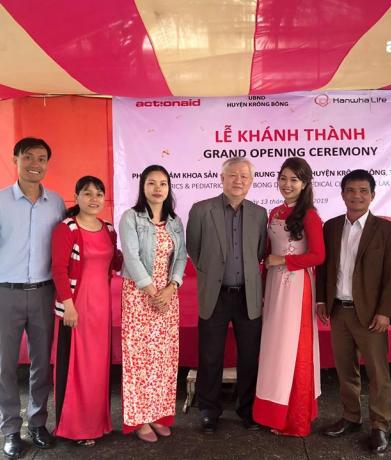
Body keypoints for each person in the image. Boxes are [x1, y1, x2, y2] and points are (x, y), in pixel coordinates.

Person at [316, 169, 391, 454]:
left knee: (378, 372)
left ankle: (380, 425)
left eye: (363, 191)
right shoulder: (331, 226)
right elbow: (324, 267)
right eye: (351, 190)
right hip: (339, 310)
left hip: (372, 314)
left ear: (372, 195)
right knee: (345, 369)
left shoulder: (386, 229)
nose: (357, 196)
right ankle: (351, 417)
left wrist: (386, 312)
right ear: (342, 194)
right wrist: (321, 300)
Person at [186, 157, 267, 434]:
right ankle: (209, 410)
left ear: (251, 181)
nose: (238, 181)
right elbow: (193, 250)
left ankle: (248, 410)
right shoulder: (201, 210)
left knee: (249, 356)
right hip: (215, 295)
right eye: (233, 175)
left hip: (248, 295)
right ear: (221, 178)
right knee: (210, 356)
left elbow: (258, 252)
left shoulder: (259, 213)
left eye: (244, 176)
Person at [0, 138, 65, 459]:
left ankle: (38, 423)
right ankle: (10, 429)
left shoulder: (56, 203)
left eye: (41, 158)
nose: (34, 163)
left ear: (48, 164)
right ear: (16, 159)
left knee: (42, 362)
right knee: (4, 366)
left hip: (43, 292)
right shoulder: (0, 202)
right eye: (28, 157)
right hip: (5, 293)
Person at [252, 158, 325, 436]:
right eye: (283, 178)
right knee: (275, 348)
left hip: (296, 286)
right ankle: (274, 412)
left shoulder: (310, 216)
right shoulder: (274, 212)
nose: (287, 184)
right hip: (274, 286)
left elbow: (318, 256)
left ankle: (294, 418)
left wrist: (282, 260)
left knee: (293, 347)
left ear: (305, 183)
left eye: (294, 179)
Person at [51, 176, 122, 446]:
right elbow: (58, 269)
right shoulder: (67, 228)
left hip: (101, 309)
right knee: (75, 368)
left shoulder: (108, 229)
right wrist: (67, 305)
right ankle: (74, 428)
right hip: (76, 307)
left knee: (97, 369)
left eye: (99, 194)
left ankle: (97, 424)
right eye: (87, 193)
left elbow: (115, 262)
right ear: (76, 196)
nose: (94, 199)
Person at [119, 165, 186, 443]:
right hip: (139, 295)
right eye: (151, 183)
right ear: (142, 187)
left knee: (163, 359)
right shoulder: (131, 218)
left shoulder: (174, 221)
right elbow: (131, 258)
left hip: (168, 297)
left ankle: (158, 414)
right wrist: (152, 291)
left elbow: (181, 257)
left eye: (163, 183)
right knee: (140, 359)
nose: (157, 188)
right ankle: (140, 418)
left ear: (168, 188)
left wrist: (172, 287)